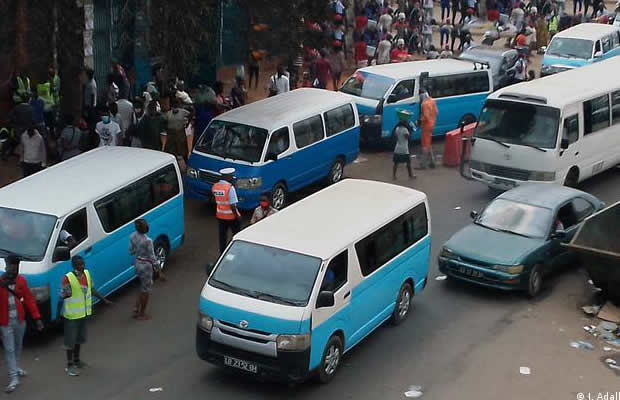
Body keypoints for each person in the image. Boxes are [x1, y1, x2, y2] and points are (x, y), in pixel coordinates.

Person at [58, 255, 111, 377]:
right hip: (71, 316)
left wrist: (104, 300)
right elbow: (62, 297)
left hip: (83, 314)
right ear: (74, 266)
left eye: (83, 264)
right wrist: (58, 315)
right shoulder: (68, 278)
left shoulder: (86, 274)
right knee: (70, 342)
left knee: (79, 339)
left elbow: (91, 289)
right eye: (79, 265)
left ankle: (77, 360)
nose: (82, 266)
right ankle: (69, 365)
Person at [0, 255, 43, 393]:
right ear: (6, 267)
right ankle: (14, 377)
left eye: (16, 267)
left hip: (20, 320)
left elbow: (29, 300)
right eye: (11, 267)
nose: (13, 270)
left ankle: (16, 367)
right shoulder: (1, 283)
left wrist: (37, 318)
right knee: (10, 349)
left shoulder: (21, 281)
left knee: (18, 346)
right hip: (5, 322)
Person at [129, 219, 160, 320]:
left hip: (137, 263)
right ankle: (142, 313)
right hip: (146, 265)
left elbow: (131, 251)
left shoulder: (133, 236)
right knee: (146, 290)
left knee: (142, 286)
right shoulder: (148, 241)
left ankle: (136, 308)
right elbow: (152, 257)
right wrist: (158, 269)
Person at [212, 168, 242, 254]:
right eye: (231, 176)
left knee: (222, 237)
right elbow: (233, 205)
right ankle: (237, 252)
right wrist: (237, 216)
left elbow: (216, 199)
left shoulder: (215, 186)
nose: (232, 177)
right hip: (232, 217)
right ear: (228, 177)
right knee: (236, 235)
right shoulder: (230, 188)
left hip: (220, 216)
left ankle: (222, 254)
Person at [162, 98, 191, 164]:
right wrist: (166, 128)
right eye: (174, 106)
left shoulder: (183, 111)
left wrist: (188, 123)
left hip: (180, 133)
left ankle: (187, 164)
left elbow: (190, 114)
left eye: (176, 106)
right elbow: (163, 121)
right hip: (171, 134)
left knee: (183, 151)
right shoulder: (168, 114)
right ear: (172, 107)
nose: (175, 108)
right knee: (170, 150)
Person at [392, 110, 416, 180]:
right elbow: (408, 138)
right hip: (404, 149)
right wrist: (410, 131)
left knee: (396, 163)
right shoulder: (405, 130)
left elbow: (396, 137)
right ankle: (410, 175)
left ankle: (394, 175)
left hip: (397, 148)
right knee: (408, 163)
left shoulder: (397, 129)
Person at [418, 89, 438, 169]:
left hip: (426, 126)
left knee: (425, 145)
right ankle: (432, 162)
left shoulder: (424, 104)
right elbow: (436, 112)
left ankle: (423, 164)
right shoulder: (432, 101)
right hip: (432, 124)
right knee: (428, 144)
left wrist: (420, 120)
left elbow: (426, 116)